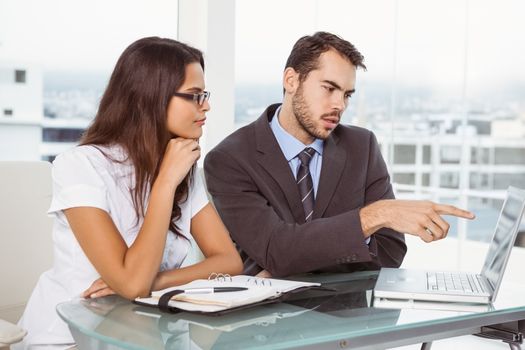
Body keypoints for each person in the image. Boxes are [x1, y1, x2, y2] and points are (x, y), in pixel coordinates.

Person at [16, 37, 243, 349]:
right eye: (194, 96)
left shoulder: (182, 172)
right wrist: (164, 184)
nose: (206, 105)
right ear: (152, 97)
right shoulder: (80, 166)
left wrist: (158, 283)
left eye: (205, 94)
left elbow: (229, 261)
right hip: (68, 338)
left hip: (145, 333)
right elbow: (132, 281)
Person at [204, 31, 474, 278]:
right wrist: (374, 216)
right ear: (291, 80)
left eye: (347, 95)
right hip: (267, 322)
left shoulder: (362, 146)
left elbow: (391, 252)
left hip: (349, 314)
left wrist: (295, 258)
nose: (339, 105)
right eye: (329, 88)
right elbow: (276, 250)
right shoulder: (231, 159)